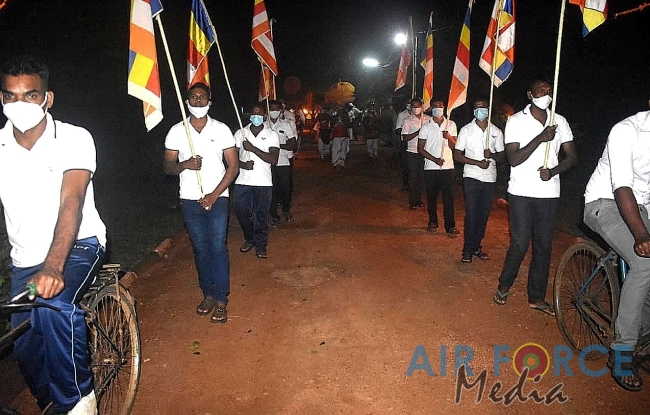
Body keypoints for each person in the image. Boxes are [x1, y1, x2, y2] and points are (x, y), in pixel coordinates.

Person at [0, 55, 106, 414]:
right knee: (25, 345)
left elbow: (71, 201)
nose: (20, 104)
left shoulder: (74, 137)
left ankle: (79, 403)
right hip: (25, 260)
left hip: (77, 246)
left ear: (48, 98)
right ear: (1, 99)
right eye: (11, 95)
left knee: (53, 307)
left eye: (30, 95)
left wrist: (54, 266)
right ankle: (51, 403)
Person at [492, 79, 577, 316]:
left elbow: (572, 157)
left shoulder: (559, 121)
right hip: (521, 191)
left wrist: (554, 171)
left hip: (548, 193)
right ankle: (504, 285)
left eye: (549, 91)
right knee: (520, 243)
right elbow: (513, 159)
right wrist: (541, 137)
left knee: (543, 245)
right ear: (530, 94)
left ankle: (536, 297)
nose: (546, 94)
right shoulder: (516, 121)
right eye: (541, 91)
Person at [583, 106, 650, 391]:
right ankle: (622, 351)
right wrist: (641, 234)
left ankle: (644, 333)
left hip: (643, 207)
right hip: (605, 201)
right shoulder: (626, 130)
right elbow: (622, 187)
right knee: (644, 263)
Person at [163, 82, 239, 324]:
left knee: (217, 247)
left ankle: (221, 300)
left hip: (218, 198)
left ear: (209, 102)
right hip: (189, 198)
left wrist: (214, 195)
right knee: (201, 248)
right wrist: (186, 164)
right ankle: (208, 293)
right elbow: (168, 167)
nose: (198, 101)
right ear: (187, 102)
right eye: (193, 97)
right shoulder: (177, 131)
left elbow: (233, 167)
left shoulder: (222, 129)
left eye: (202, 97)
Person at [453, 98, 505, 261]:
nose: (479, 111)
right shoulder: (466, 130)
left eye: (482, 108)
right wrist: (476, 163)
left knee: (483, 215)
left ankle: (476, 246)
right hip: (471, 176)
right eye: (476, 108)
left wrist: (492, 155)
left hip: (489, 178)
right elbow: (457, 155)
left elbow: (502, 156)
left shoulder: (496, 132)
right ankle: (467, 250)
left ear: (488, 110)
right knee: (472, 213)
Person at [233, 102, 280, 259]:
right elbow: (231, 158)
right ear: (249, 115)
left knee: (261, 215)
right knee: (241, 212)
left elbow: (273, 159)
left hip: (263, 182)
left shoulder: (271, 134)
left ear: (264, 116)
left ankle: (261, 245)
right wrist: (243, 165)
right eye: (253, 113)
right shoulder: (240, 132)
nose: (256, 116)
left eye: (259, 114)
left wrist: (252, 148)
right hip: (243, 180)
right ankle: (250, 238)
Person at [267, 100, 297, 227]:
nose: (274, 111)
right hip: (267, 163)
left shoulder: (286, 125)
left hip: (283, 162)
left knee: (285, 188)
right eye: (271, 109)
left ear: (280, 111)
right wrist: (284, 145)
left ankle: (286, 210)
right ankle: (274, 215)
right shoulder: (264, 126)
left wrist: (277, 146)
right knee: (271, 190)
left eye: (276, 109)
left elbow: (293, 145)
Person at [402, 98, 430, 209]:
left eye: (418, 106)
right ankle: (412, 201)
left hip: (425, 152)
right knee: (413, 177)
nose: (416, 108)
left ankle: (419, 199)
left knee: (421, 177)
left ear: (422, 107)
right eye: (413, 106)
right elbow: (405, 138)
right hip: (412, 152)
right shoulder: (408, 120)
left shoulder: (428, 119)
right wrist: (418, 132)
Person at [395, 102, 411, 191]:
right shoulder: (402, 115)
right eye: (409, 103)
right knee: (405, 164)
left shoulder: (421, 115)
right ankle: (406, 183)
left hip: (418, 143)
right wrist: (408, 129)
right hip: (405, 142)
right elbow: (398, 129)